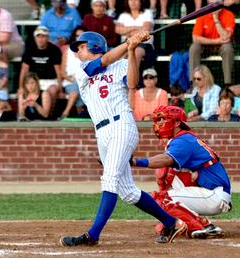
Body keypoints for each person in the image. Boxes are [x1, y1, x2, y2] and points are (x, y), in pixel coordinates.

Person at [59, 31, 186, 247]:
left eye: (81, 46)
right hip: (101, 132)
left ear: (95, 46)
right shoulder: (83, 70)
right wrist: (129, 42)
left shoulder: (120, 65)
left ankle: (93, 235)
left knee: (109, 179)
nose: (77, 51)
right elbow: (105, 61)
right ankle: (170, 221)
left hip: (121, 125)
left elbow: (133, 83)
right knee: (127, 191)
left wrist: (131, 50)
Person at [131, 105, 232, 238]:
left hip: (214, 194)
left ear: (177, 122)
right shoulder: (183, 138)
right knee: (166, 185)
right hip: (213, 192)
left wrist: (135, 162)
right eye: (158, 120)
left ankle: (199, 225)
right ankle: (203, 224)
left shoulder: (183, 140)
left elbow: (165, 160)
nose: (159, 123)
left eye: (163, 119)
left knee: (161, 198)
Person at [189, 0, 235, 85]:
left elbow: (226, 37)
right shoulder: (202, 14)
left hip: (222, 46)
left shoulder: (229, 15)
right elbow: (195, 38)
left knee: (228, 48)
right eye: (212, 4)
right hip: (206, 47)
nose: (215, 7)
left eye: (217, 4)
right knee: (194, 47)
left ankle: (228, 84)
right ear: (208, 4)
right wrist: (215, 41)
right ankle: (193, 83)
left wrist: (216, 19)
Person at [19, 26, 63, 103]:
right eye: (38, 36)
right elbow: (24, 70)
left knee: (52, 91)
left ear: (48, 37)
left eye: (43, 36)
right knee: (23, 93)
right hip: (34, 81)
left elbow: (58, 71)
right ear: (35, 38)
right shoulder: (29, 49)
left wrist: (60, 89)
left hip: (51, 81)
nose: (41, 39)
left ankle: (49, 114)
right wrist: (21, 87)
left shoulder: (54, 50)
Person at [115, 0, 155, 70]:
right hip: (126, 43)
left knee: (136, 52)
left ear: (141, 1)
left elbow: (146, 29)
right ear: (127, 1)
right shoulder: (123, 15)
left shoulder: (147, 13)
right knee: (119, 55)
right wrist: (136, 28)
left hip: (143, 44)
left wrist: (127, 32)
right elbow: (118, 30)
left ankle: (131, 79)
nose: (133, 2)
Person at [61, 26, 87, 118]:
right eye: (77, 35)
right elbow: (63, 71)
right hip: (70, 81)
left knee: (78, 85)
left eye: (82, 36)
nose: (79, 38)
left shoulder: (89, 51)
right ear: (74, 37)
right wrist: (70, 79)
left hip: (85, 81)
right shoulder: (68, 51)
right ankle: (71, 113)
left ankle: (67, 113)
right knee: (76, 86)